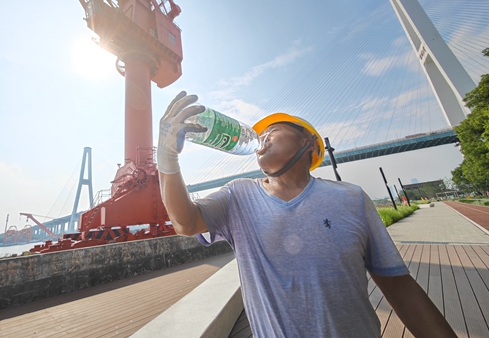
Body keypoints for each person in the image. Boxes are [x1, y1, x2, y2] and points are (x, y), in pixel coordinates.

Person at [157, 91, 456, 337]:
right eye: (260, 133)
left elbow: (397, 285)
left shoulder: (351, 198)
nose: (262, 137)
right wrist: (167, 156)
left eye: (273, 130)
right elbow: (185, 222)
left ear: (309, 143)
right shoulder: (238, 195)